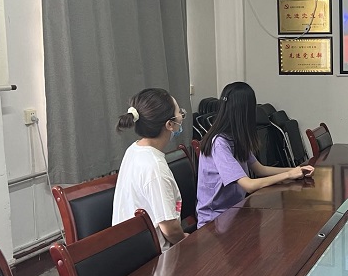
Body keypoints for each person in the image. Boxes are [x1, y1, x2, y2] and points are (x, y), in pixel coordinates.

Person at [197, 81, 314, 228]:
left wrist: (295, 170)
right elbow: (249, 185)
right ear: (245, 111)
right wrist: (288, 175)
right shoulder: (219, 143)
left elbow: (260, 169)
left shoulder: (236, 137)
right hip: (214, 222)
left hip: (236, 211)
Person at [113, 88, 188, 251]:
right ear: (170, 125)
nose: (181, 116)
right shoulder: (154, 167)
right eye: (179, 112)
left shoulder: (134, 149)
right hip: (156, 257)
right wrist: (187, 240)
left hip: (129, 249)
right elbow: (170, 229)